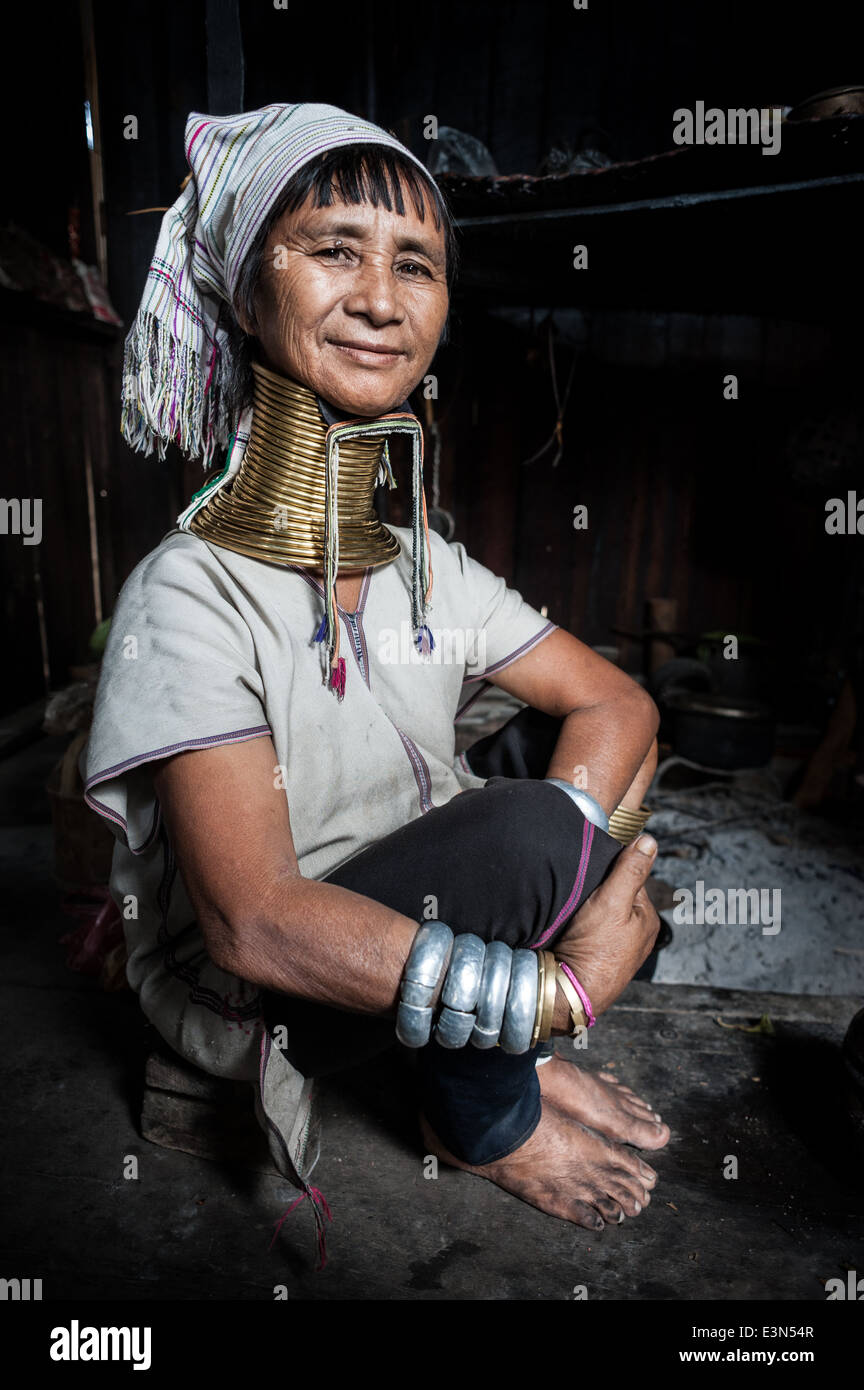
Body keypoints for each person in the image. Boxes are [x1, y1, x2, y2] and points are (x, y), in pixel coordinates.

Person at [84, 102, 668, 1248]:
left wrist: (578, 862)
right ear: (247, 289)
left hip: (410, 930)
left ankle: (493, 1033)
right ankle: (484, 1115)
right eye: (333, 250)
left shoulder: (423, 565)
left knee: (576, 808)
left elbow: (619, 701)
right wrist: (558, 990)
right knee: (533, 841)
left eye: (417, 265)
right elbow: (254, 925)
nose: (382, 301)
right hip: (262, 993)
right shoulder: (188, 594)